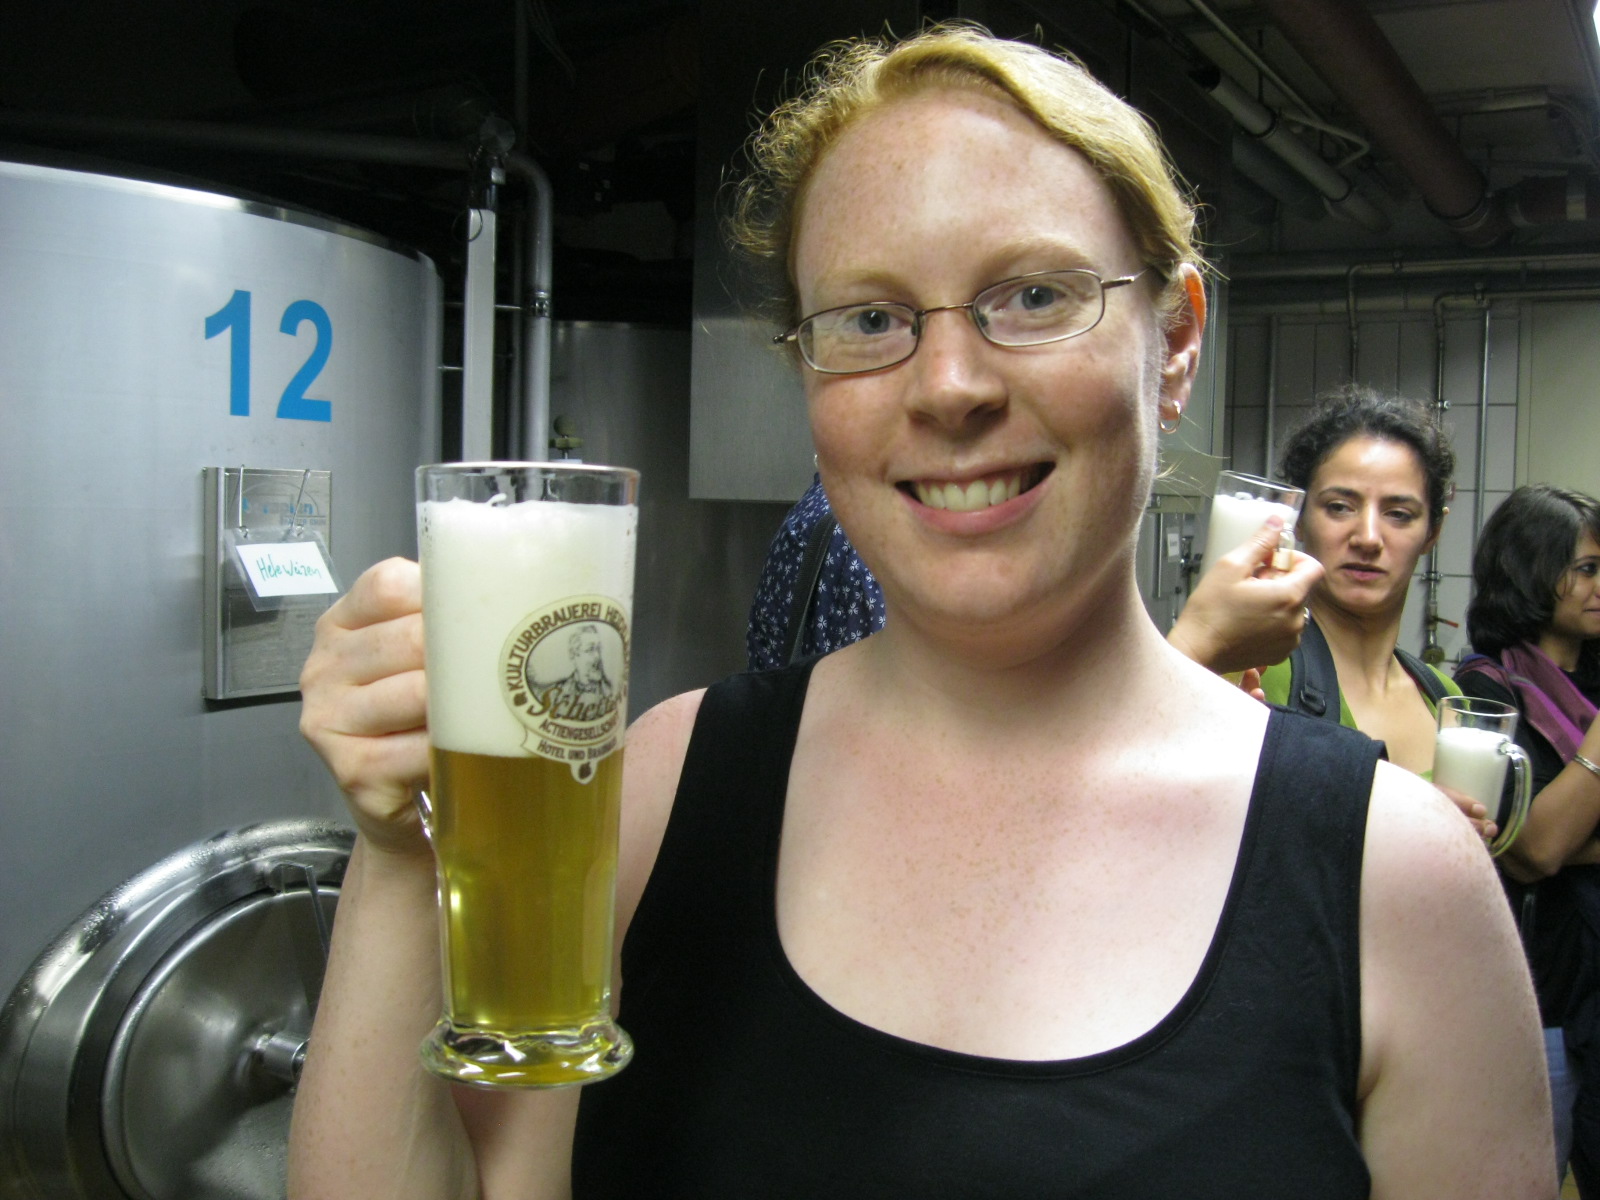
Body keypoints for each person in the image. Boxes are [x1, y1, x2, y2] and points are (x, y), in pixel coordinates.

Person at [288, 25, 1552, 1199]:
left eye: (1034, 296)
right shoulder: (658, 791)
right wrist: (398, 853)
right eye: (870, 318)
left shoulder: (1397, 883)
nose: (948, 386)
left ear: (1174, 340)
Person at [749, 472, 1319, 678]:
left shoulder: (810, 521)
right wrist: (1198, 650)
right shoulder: (865, 543)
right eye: (873, 322)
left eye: (1036, 300)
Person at [1258, 386, 1498, 837]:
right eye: (1339, 507)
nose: (1367, 537)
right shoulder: (1258, 671)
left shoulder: (1444, 698)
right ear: (1299, 517)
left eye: (1399, 514)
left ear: (1433, 531)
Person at [1456, 484, 1600, 1191]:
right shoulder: (1487, 692)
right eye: (1587, 569)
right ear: (1532, 571)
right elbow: (1535, 849)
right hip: (1545, 999)